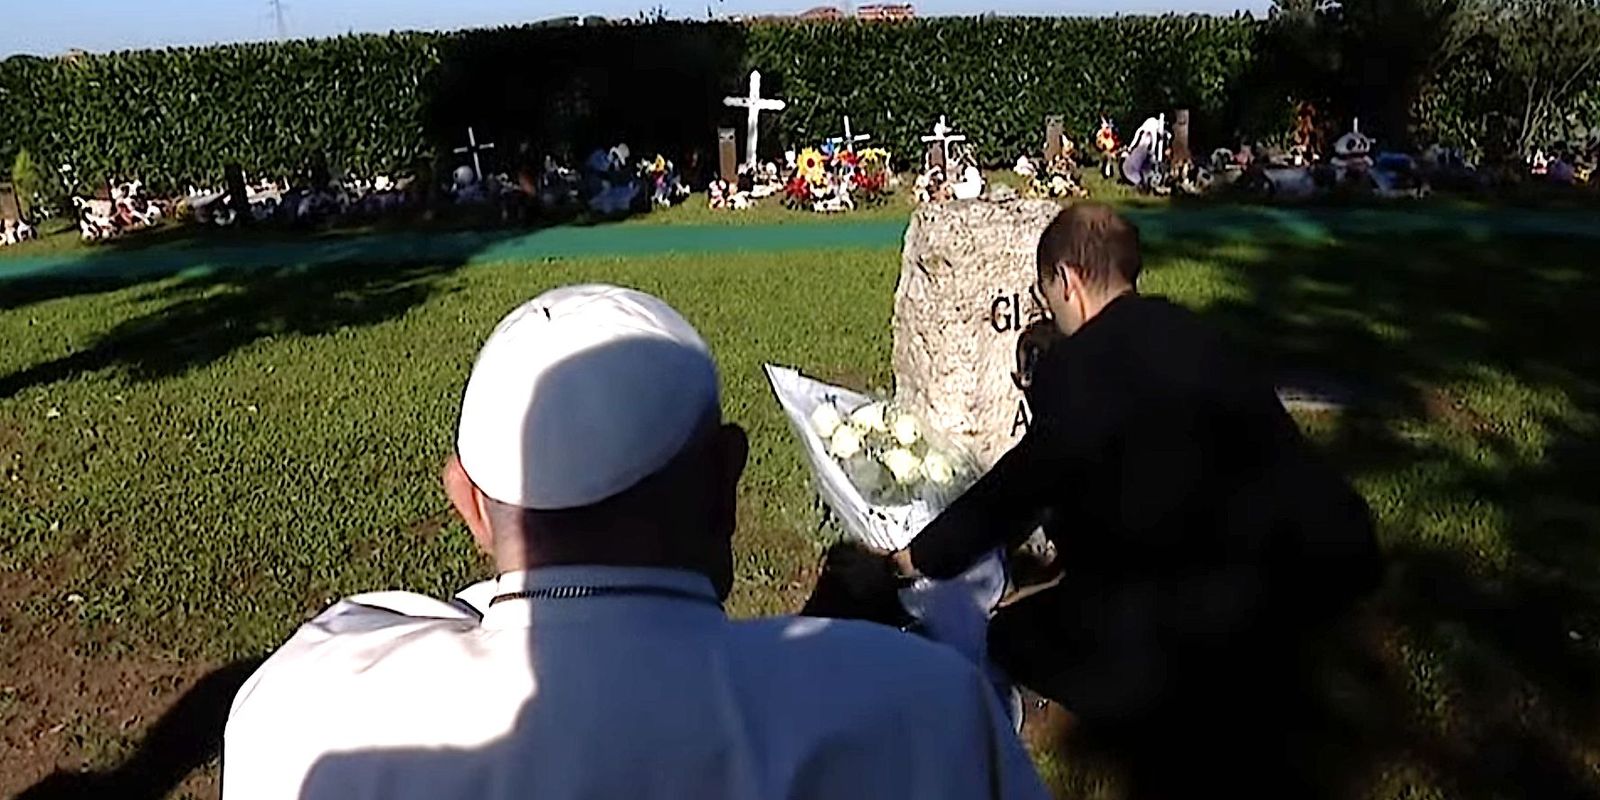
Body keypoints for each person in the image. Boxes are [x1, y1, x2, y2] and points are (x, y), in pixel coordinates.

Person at [223, 284, 1048, 800]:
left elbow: (387, 622)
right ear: (725, 478)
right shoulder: (922, 708)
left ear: (468, 504)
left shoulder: (295, 711)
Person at [891, 204, 1381, 733]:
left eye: (1047, 294)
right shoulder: (1198, 334)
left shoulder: (1077, 369)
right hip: (1295, 585)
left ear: (1067, 281)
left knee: (1011, 632)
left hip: (1188, 630)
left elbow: (1015, 492)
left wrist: (912, 559)